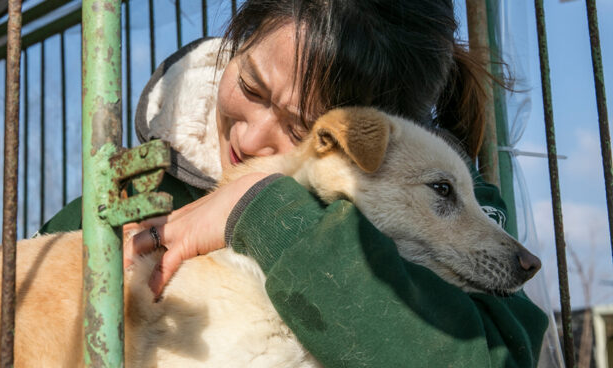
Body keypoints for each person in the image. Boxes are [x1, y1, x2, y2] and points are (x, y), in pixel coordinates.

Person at [40, 0, 548, 366]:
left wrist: (264, 211)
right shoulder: (137, 189)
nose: (251, 136)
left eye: (302, 129)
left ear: (372, 135)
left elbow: (494, 355)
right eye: (250, 86)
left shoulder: (450, 200)